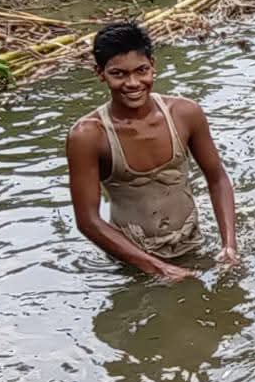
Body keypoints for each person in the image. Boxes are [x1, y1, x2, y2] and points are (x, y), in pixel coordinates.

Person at [66, 20, 237, 281]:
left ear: (153, 67)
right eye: (119, 74)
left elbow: (217, 178)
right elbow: (88, 221)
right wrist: (157, 268)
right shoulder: (88, 136)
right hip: (132, 262)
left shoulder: (185, 113)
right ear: (100, 73)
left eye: (141, 70)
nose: (133, 83)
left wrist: (229, 245)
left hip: (193, 243)